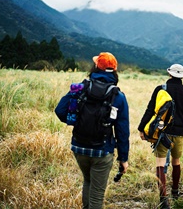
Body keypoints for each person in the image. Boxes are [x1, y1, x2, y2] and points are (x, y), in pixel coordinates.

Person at [55, 52, 130, 209]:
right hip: (102, 151)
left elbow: (60, 110)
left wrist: (75, 121)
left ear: (96, 66)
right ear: (114, 70)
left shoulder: (80, 88)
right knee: (97, 195)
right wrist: (123, 159)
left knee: (88, 180)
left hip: (79, 147)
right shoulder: (118, 96)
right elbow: (122, 131)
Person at [138, 63, 183, 209]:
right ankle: (175, 191)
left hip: (162, 133)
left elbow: (150, 109)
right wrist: (182, 111)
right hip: (179, 133)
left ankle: (163, 199)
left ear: (169, 74)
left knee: (160, 163)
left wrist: (141, 128)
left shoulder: (160, 89)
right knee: (176, 162)